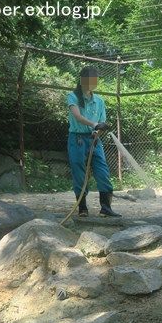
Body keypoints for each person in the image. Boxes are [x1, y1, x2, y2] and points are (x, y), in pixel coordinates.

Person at [67, 66, 121, 217]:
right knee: (79, 172)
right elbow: (77, 116)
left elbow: (101, 121)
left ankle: (106, 208)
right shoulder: (73, 97)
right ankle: (82, 208)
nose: (92, 82)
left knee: (102, 171)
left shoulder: (99, 101)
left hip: (94, 140)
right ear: (82, 80)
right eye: (89, 79)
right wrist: (94, 125)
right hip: (77, 139)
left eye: (94, 79)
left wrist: (98, 130)